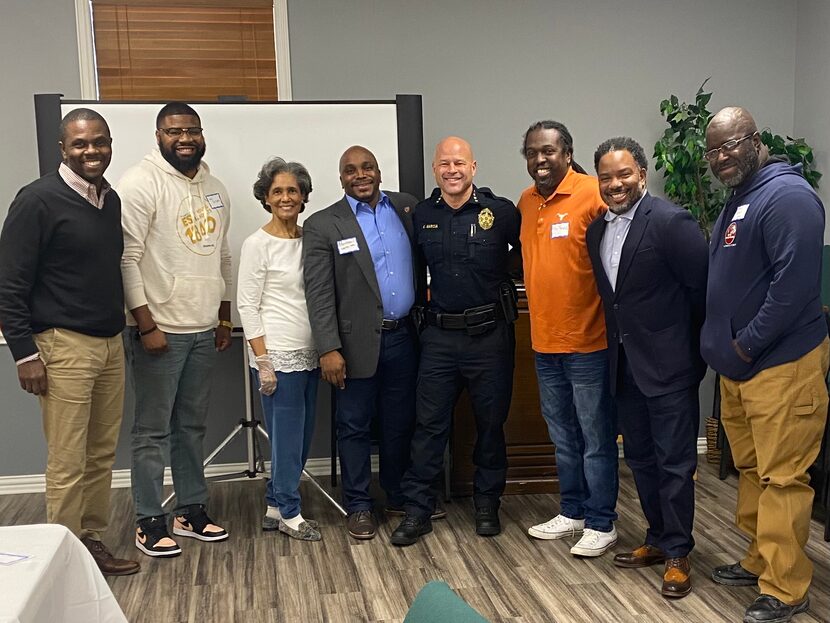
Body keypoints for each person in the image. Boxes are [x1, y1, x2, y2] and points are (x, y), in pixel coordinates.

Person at [702, 107, 829, 623]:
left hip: (781, 365)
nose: (721, 157)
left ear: (756, 141)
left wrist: (745, 346)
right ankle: (761, 559)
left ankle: (786, 586)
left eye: (730, 145)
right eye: (713, 150)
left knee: (782, 478)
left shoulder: (789, 197)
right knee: (753, 470)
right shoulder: (743, 197)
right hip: (742, 371)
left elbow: (793, 289)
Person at [0, 108, 140, 576]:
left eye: (99, 142)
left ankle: (90, 541)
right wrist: (24, 352)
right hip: (62, 347)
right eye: (80, 144)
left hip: (109, 343)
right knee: (67, 458)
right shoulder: (37, 200)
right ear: (63, 148)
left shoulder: (110, 199)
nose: (91, 151)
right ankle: (63, 560)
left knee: (100, 453)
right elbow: (9, 284)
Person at [586, 137, 708, 598]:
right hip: (623, 368)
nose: (614, 185)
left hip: (671, 368)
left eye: (623, 175)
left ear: (641, 174)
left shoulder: (671, 222)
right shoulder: (596, 231)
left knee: (675, 464)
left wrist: (691, 358)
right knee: (640, 459)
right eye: (606, 177)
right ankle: (657, 539)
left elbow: (701, 293)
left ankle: (678, 552)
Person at [390, 136, 521, 546]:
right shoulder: (422, 215)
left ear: (474, 167)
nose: (452, 170)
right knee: (428, 427)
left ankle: (487, 503)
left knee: (490, 425)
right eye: (444, 163)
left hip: (489, 337)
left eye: (459, 162)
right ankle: (417, 509)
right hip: (439, 339)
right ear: (435, 169)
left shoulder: (500, 212)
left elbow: (526, 255)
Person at [119, 102, 232, 558]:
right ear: (158, 135)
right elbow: (126, 258)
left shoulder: (216, 187)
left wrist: (223, 317)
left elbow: (222, 255)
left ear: (201, 134)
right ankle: (149, 518)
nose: (184, 138)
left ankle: (190, 510)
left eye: (191, 130)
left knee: (191, 427)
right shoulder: (138, 184)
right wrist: (146, 324)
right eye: (173, 131)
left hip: (204, 328)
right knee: (151, 431)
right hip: (159, 330)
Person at [303, 145, 420, 540]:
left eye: (367, 167)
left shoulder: (407, 209)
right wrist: (328, 349)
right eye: (351, 170)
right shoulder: (324, 224)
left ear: (379, 171)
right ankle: (358, 505)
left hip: (404, 337)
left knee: (398, 423)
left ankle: (397, 496)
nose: (360, 175)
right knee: (352, 426)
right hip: (352, 348)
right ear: (341, 178)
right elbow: (318, 294)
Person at [518, 120, 619, 557]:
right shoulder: (526, 202)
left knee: (596, 438)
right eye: (531, 153)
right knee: (562, 436)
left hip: (588, 342)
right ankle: (573, 511)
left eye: (548, 151)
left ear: (568, 153)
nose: (540, 160)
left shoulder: (592, 193)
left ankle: (602, 522)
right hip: (544, 343)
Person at [237, 157, 320, 541]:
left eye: (292, 190)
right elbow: (246, 305)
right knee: (287, 439)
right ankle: (290, 511)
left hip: (311, 353)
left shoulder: (311, 239)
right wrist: (264, 361)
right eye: (278, 191)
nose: (286, 197)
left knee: (301, 437)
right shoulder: (257, 244)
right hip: (279, 358)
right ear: (266, 198)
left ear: (303, 197)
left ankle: (274, 503)